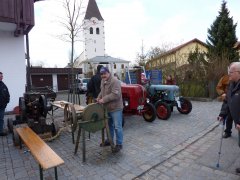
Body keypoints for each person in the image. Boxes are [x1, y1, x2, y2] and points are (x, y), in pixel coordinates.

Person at [217, 62, 240, 173]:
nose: (228, 75)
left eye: (230, 72)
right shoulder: (232, 84)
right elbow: (227, 101)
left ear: (238, 72)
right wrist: (222, 114)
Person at [96, 67, 124, 153]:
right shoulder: (103, 81)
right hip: (107, 108)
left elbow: (115, 95)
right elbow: (102, 91)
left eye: (104, 73)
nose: (103, 75)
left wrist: (103, 100)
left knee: (117, 127)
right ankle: (109, 140)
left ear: (108, 73)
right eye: (101, 74)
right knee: (109, 126)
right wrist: (99, 97)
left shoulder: (115, 81)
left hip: (116, 108)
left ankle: (119, 144)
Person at [216, 74, 233, 138]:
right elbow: (218, 87)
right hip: (228, 99)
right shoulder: (225, 77)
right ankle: (228, 131)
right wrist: (222, 93)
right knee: (229, 117)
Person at [0, 72, 10, 136]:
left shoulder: (3, 85)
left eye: (2, 76)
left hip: (2, 106)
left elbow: (7, 94)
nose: (2, 77)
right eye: (0, 76)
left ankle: (0, 131)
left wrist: (7, 101)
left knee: (1, 119)